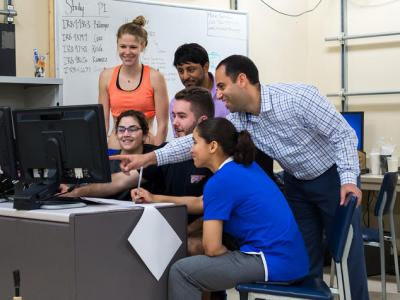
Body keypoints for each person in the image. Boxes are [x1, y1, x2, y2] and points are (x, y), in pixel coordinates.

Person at [111, 55, 369, 300]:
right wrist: (148, 158)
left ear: (242, 80)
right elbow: (194, 140)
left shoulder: (297, 98)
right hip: (296, 181)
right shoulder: (240, 120)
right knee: (306, 256)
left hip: (332, 177)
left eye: (222, 86)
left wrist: (348, 178)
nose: (218, 94)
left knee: (347, 254)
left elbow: (343, 135)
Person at [167, 118, 309, 300]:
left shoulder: (221, 181)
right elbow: (204, 203)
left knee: (182, 272)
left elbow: (211, 248)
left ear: (212, 146)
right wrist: (155, 198)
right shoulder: (244, 168)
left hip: (271, 262)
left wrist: (226, 254)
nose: (191, 149)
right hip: (292, 260)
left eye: (195, 142)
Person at [134, 86, 214, 255]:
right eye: (173, 115)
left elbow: (209, 207)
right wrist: (81, 189)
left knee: (192, 245)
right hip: (168, 229)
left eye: (182, 116)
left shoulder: (215, 157)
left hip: (201, 232)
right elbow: (121, 180)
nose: (174, 122)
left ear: (202, 121)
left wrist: (183, 231)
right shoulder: (165, 151)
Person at [99, 16, 168, 148]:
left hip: (145, 149)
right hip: (115, 148)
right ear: (117, 45)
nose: (127, 52)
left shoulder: (155, 78)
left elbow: (163, 125)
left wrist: (156, 155)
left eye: (133, 47)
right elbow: (103, 122)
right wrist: (101, 153)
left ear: (143, 46)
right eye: (123, 46)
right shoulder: (106, 76)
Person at [62, 110, 163, 199]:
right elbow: (85, 181)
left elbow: (119, 182)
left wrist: (78, 192)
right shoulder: (108, 159)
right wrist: (68, 187)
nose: (126, 134)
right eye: (121, 129)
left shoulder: (154, 156)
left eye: (132, 129)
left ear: (145, 134)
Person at [170, 43, 229, 133]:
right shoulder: (175, 104)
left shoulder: (226, 95)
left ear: (205, 67)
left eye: (191, 70)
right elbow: (179, 140)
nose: (185, 76)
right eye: (180, 71)